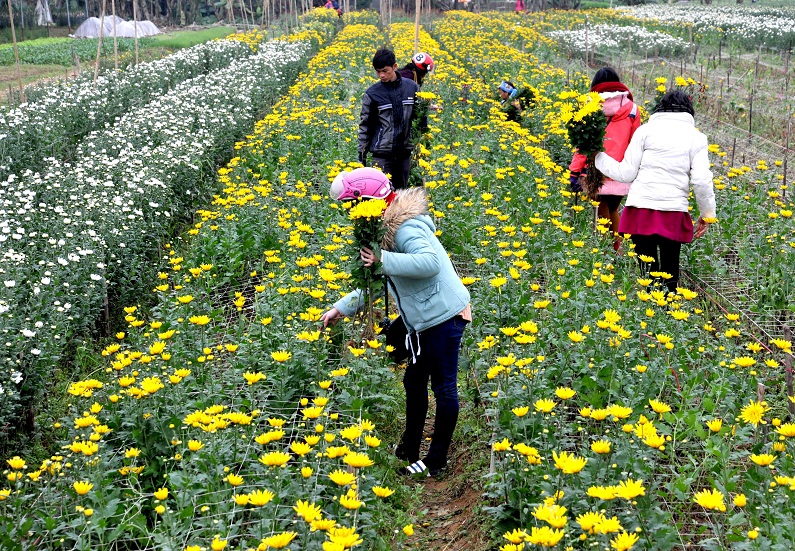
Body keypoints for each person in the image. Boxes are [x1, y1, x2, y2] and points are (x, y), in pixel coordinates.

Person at [321, 168, 472, 478]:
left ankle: (435, 461)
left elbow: (428, 263)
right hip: (424, 318)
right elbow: (387, 283)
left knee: (444, 388)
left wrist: (383, 260)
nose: (351, 214)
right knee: (414, 381)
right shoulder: (386, 231)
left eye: (353, 205)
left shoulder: (405, 228)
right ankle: (409, 448)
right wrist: (342, 308)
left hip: (444, 316)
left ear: (368, 201)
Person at [595, 90, 716, 292]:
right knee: (670, 275)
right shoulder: (697, 138)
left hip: (640, 212)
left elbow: (626, 173)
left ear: (661, 107)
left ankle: (650, 315)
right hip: (673, 213)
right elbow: (702, 180)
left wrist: (598, 157)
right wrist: (707, 214)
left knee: (648, 275)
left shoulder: (645, 131)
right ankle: (667, 314)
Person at [569, 67, 641, 252]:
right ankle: (617, 247)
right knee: (612, 210)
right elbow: (636, 142)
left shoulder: (589, 107)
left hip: (595, 170)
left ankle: (605, 252)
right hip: (621, 170)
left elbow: (582, 146)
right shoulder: (632, 109)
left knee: (600, 212)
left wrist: (575, 171)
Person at [358, 48, 420, 190]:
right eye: (378, 71)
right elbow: (365, 126)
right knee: (380, 197)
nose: (381, 75)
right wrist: (361, 156)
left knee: (400, 198)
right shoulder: (372, 93)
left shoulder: (411, 88)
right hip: (382, 156)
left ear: (395, 67)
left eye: (385, 71)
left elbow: (419, 117)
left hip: (404, 154)